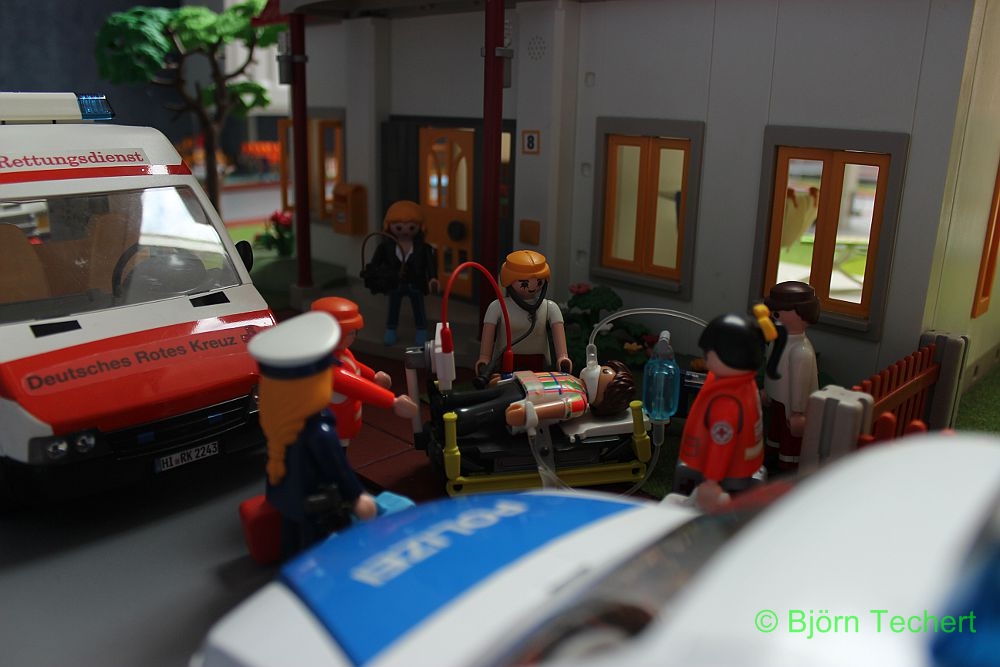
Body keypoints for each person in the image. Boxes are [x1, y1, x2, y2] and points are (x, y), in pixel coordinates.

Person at [248, 311, 377, 559]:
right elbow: (338, 470)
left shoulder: (276, 420)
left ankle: (289, 566)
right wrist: (357, 497)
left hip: (285, 496)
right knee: (315, 547)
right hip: (315, 503)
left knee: (290, 537)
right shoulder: (320, 431)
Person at [674, 306, 786, 497]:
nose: (705, 358)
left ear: (731, 356)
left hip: (731, 471)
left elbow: (721, 445)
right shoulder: (743, 382)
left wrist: (712, 481)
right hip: (745, 461)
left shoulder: (727, 403)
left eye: (708, 354)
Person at [310, 297, 418, 447]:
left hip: (342, 421)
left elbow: (354, 366)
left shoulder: (341, 353)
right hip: (334, 427)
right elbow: (358, 387)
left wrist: (373, 376)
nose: (354, 336)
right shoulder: (329, 369)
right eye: (350, 333)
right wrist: (392, 401)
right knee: (333, 455)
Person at [436, 360, 635, 437]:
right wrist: (507, 378)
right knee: (476, 395)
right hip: (517, 385)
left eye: (603, 371)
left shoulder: (579, 401)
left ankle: (456, 422)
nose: (596, 368)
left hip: (524, 398)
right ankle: (447, 400)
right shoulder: (572, 378)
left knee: (481, 412)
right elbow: (539, 375)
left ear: (604, 395)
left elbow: (557, 408)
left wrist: (528, 413)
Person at [477, 250, 571, 376]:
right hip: (506, 362)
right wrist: (484, 360)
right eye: (524, 283)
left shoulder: (550, 307)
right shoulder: (497, 307)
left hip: (538, 362)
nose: (532, 287)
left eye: (539, 282)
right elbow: (487, 343)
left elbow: (560, 342)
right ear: (508, 280)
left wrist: (563, 358)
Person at [763, 281, 820, 474]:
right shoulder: (777, 341)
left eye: (777, 313)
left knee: (790, 440)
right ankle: (772, 458)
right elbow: (771, 368)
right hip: (777, 400)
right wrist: (767, 391)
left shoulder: (801, 351)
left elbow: (800, 385)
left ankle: (786, 468)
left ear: (802, 314)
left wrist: (798, 412)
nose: (772, 316)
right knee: (775, 432)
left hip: (792, 407)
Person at [367, 200, 439, 347]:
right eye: (399, 227)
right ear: (389, 226)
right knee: (393, 306)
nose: (405, 231)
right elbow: (375, 264)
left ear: (419, 227)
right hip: (395, 283)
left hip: (415, 283)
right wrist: (375, 275)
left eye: (411, 227)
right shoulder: (385, 247)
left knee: (418, 307)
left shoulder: (423, 248)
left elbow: (430, 264)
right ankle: (391, 329)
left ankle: (421, 330)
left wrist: (433, 278)